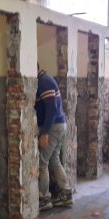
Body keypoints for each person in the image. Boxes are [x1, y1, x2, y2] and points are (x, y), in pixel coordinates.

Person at [35, 66, 73, 211]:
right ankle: (65, 193)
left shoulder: (44, 82)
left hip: (53, 127)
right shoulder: (45, 80)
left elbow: (51, 109)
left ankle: (44, 198)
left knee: (42, 162)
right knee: (53, 160)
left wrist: (45, 133)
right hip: (59, 125)